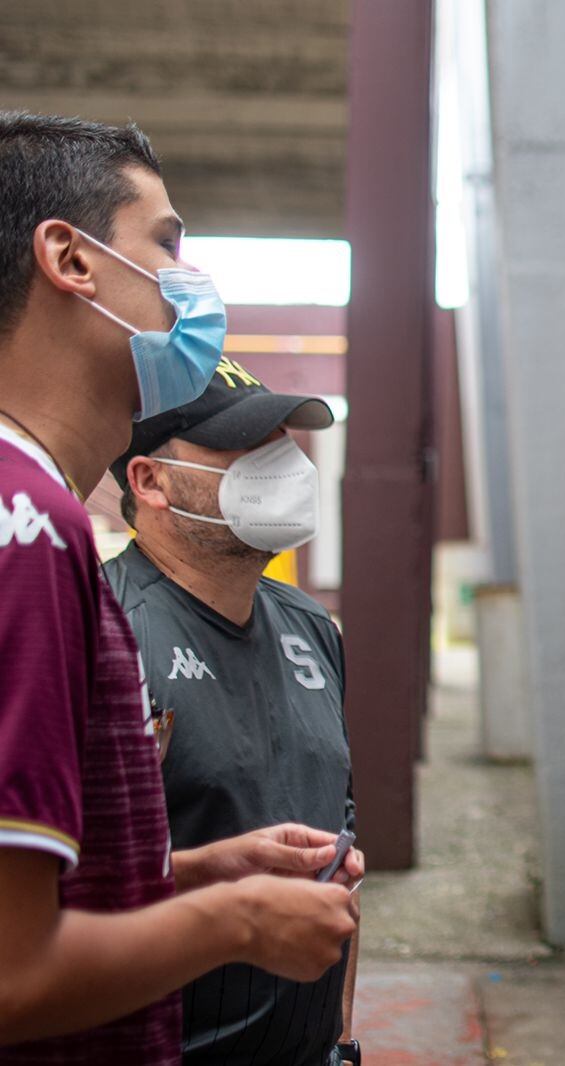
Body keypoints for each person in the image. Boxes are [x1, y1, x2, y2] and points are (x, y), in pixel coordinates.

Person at [0, 111, 359, 1065]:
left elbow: (53, 887)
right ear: (70, 260)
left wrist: (193, 871)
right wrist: (237, 920)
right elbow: (10, 972)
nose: (191, 283)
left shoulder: (33, 515)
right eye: (165, 244)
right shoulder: (28, 527)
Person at [104, 364, 363, 1066]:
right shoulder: (102, 631)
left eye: (282, 440)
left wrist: (340, 1041)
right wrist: (212, 880)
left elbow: (341, 864)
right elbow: (46, 898)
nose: (284, 465)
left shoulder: (312, 628)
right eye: (243, 445)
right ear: (150, 481)